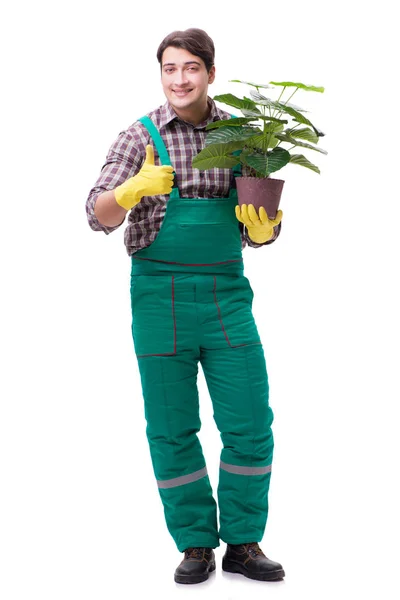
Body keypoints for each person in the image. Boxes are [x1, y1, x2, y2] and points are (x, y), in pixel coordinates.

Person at [86, 27, 285, 585]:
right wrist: (128, 192)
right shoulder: (138, 137)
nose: (180, 79)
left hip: (227, 296)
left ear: (210, 73)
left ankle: (243, 542)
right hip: (158, 297)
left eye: (191, 68)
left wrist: (266, 228)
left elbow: (261, 232)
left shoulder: (246, 138)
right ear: (162, 74)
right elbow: (95, 213)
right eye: (170, 68)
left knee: (249, 420)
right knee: (171, 426)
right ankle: (196, 542)